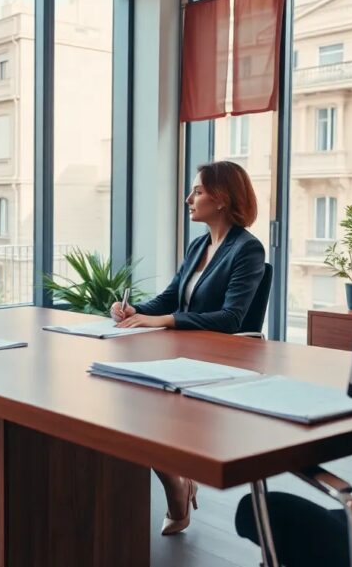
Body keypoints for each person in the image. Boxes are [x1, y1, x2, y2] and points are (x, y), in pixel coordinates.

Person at [110, 160, 266, 535]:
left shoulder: (248, 250)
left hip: (220, 359)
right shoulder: (199, 245)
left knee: (143, 408)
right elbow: (168, 299)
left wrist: (163, 321)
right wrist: (134, 311)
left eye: (197, 191)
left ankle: (175, 486)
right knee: (129, 405)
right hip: (183, 352)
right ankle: (175, 482)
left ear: (223, 198)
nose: (188, 198)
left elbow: (231, 318)